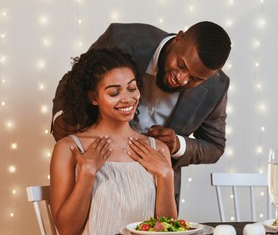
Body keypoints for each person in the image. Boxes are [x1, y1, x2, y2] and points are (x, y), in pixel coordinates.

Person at [52, 21, 232, 209]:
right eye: (181, 65)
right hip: (96, 181)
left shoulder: (216, 87)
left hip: (157, 193)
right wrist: (61, 114)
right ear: (178, 38)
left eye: (195, 79)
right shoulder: (123, 38)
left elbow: (215, 146)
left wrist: (178, 145)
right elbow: (78, 77)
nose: (181, 79)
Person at [50, 48, 177, 235]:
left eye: (132, 88)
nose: (127, 99)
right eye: (114, 92)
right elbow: (67, 231)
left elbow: (166, 234)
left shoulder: (158, 150)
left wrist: (166, 175)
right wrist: (87, 173)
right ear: (94, 98)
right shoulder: (69, 148)